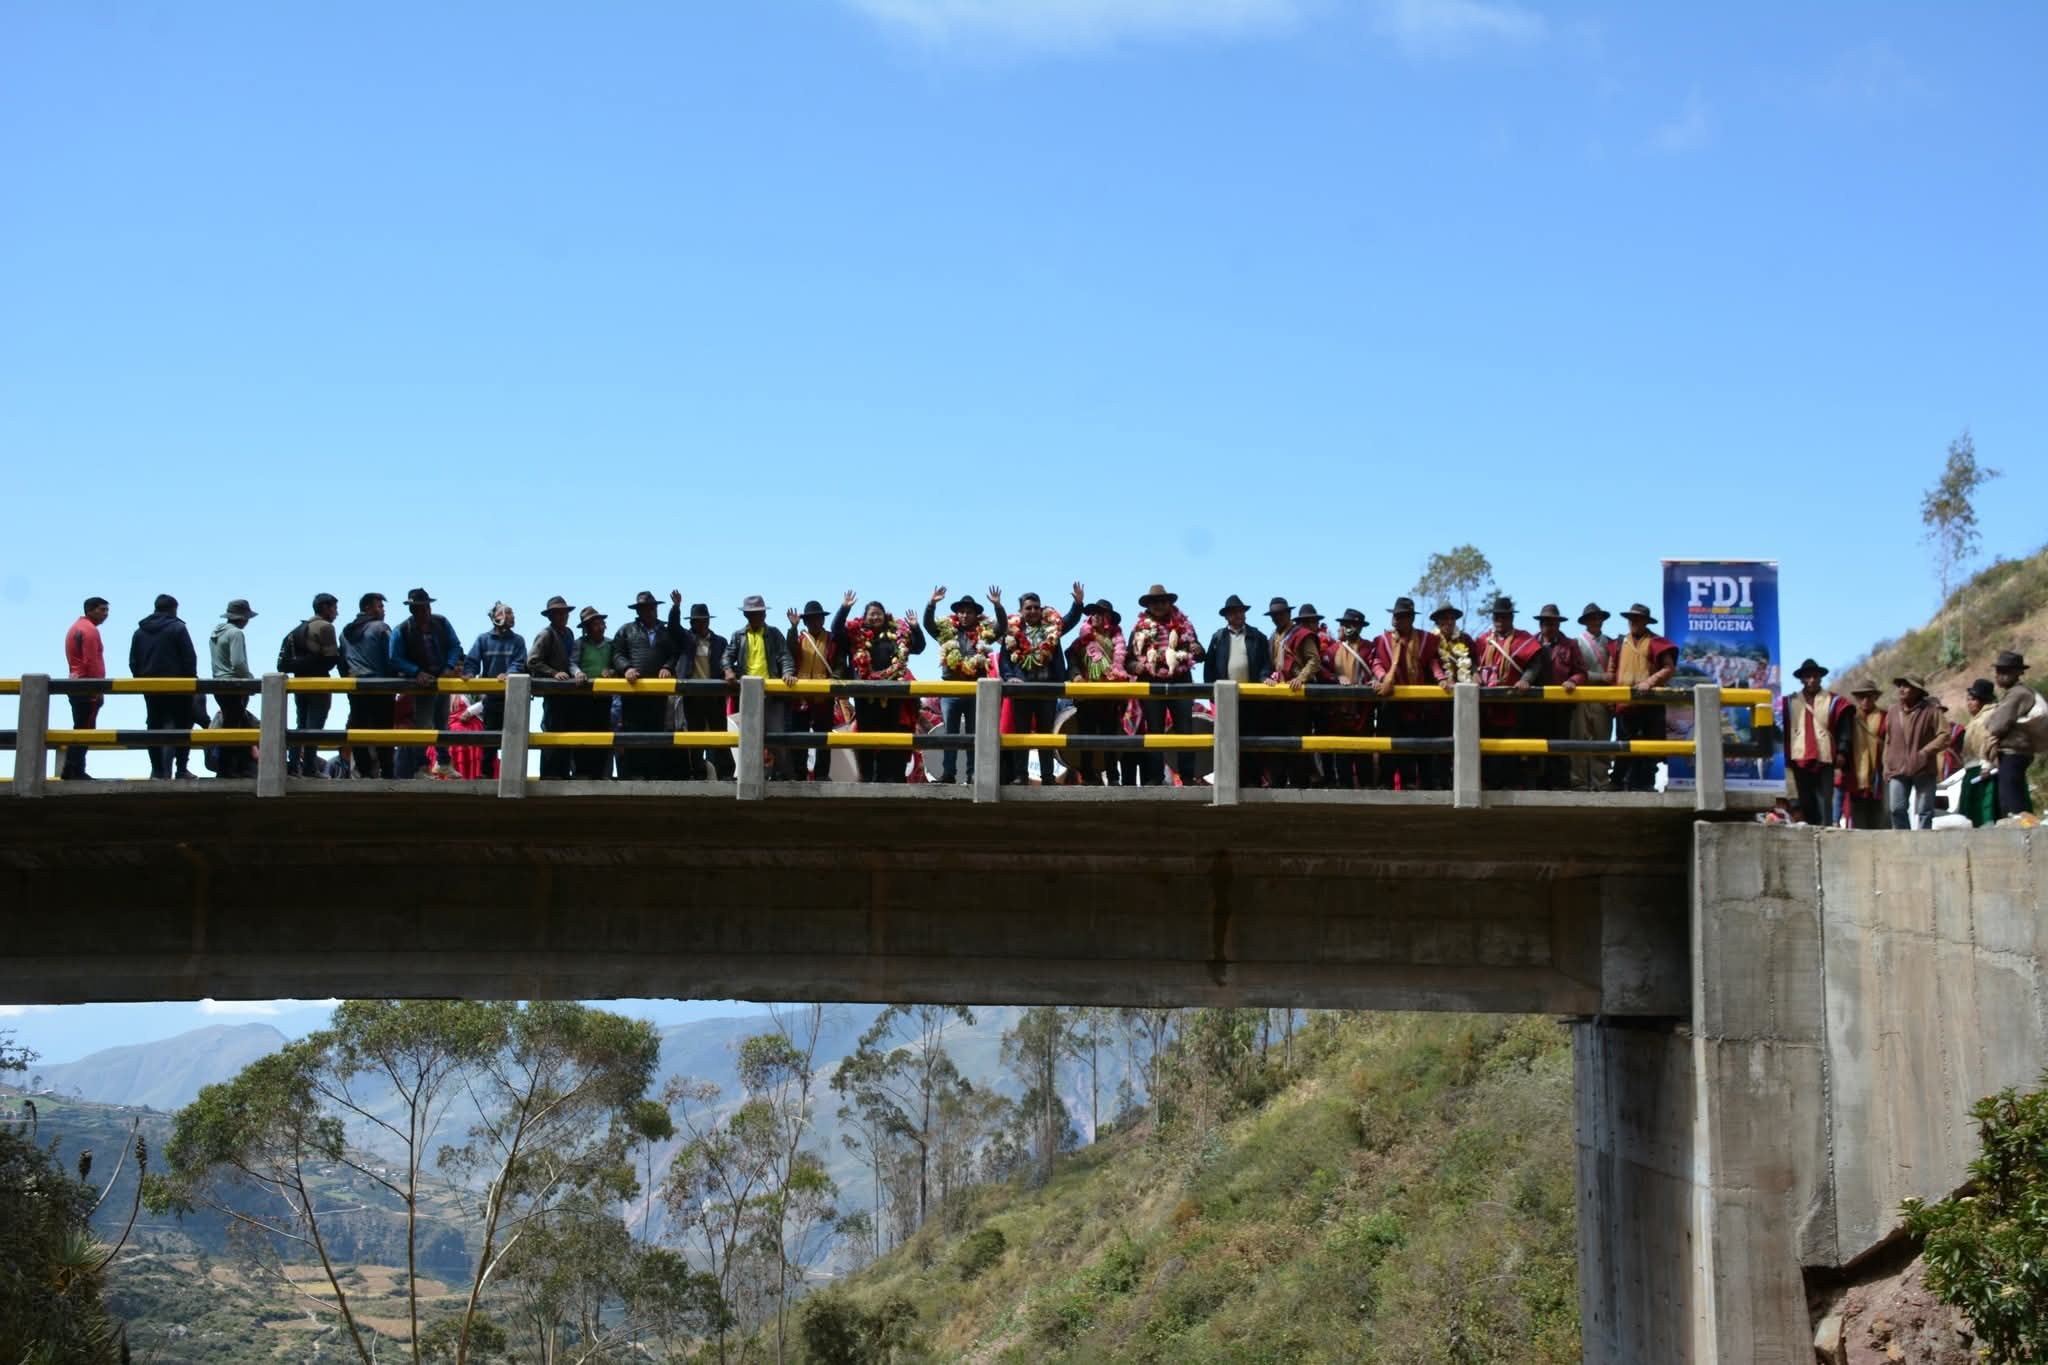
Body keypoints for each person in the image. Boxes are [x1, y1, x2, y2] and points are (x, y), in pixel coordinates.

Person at [995, 584, 1084, 786]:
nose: (1033, 611)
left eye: (1036, 607)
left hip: (1047, 689)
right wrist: (1009, 678)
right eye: (1029, 608)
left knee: (1045, 736)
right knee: (1022, 736)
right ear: (1021, 611)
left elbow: (1069, 621)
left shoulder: (1051, 627)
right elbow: (1005, 661)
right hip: (1022, 691)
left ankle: (1047, 777)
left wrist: (1078, 604)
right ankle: (1020, 775)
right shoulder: (1011, 631)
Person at [833, 592, 924, 783]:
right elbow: (836, 631)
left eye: (878, 613)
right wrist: (845, 608)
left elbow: (918, 647)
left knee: (889, 737)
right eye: (871, 614)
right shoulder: (855, 634)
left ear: (885, 615)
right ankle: (867, 777)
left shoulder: (896, 635)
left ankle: (886, 777)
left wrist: (915, 628)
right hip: (864, 695)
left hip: (892, 695)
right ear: (865, 618)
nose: (875, 617)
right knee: (866, 736)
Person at [1128, 585, 1205, 786]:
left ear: (1169, 603)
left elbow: (1199, 653)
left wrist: (1197, 650)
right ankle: (1155, 777)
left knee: (1185, 731)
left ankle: (1187, 777)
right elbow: (1128, 660)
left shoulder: (1185, 625)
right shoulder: (1139, 629)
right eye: (1155, 602)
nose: (1159, 605)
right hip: (1152, 685)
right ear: (1149, 606)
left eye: (1163, 601)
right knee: (1154, 731)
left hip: (1180, 684)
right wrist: (1136, 665)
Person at [390, 588, 467, 779]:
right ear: (412, 610)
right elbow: (394, 657)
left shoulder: (441, 622)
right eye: (420, 608)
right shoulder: (401, 630)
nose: (424, 612)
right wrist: (415, 672)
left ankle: (443, 762)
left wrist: (448, 666)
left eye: (426, 607)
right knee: (423, 725)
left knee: (443, 723)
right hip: (421, 684)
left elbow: (455, 645)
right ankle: (421, 767)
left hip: (441, 679)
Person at [923, 589, 998, 785]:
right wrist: (931, 604)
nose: (964, 615)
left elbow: (1002, 628)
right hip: (951, 689)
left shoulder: (985, 633)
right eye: (961, 612)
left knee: (974, 734)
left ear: (976, 615)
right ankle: (948, 774)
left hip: (976, 690)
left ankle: (973, 774)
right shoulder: (948, 631)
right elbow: (928, 625)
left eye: (969, 612)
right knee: (950, 735)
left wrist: (998, 606)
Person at [611, 591, 687, 780]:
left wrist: (667, 667)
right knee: (633, 732)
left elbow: (674, 652)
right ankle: (633, 774)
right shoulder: (625, 630)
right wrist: (626, 668)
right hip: (633, 692)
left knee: (657, 732)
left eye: (652, 608)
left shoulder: (665, 630)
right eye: (645, 609)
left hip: (657, 694)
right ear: (639, 611)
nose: (649, 612)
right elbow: (617, 654)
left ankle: (654, 774)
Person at [723, 595, 799, 779]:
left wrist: (787, 672)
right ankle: (752, 775)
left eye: (759, 613)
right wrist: (727, 670)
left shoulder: (774, 634)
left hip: (771, 692)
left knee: (776, 736)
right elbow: (727, 655)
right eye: (752, 614)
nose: (757, 616)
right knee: (750, 737)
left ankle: (786, 775)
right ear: (747, 616)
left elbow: (785, 656)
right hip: (748, 693)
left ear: (764, 614)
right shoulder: (738, 636)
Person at [1474, 596, 1543, 790]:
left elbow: (1535, 663)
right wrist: (1473, 674)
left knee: (1511, 746)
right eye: (1497, 617)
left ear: (1511, 618)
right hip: (1487, 705)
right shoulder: (1483, 640)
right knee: (1487, 746)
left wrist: (1526, 680)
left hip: (1512, 704)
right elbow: (1473, 661)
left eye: (1504, 617)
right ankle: (1488, 783)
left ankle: (1510, 784)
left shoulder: (1523, 639)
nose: (1500, 621)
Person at [1205, 595, 1273, 788]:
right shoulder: (1218, 638)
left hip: (1250, 697)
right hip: (1226, 698)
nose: (1239, 615)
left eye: (1241, 611)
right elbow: (1209, 668)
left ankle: (1253, 780)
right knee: (1227, 740)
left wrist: (1264, 677)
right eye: (1234, 612)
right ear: (1227, 616)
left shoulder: (1257, 636)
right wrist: (1212, 694)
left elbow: (1264, 664)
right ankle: (1230, 780)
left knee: (1251, 738)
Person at [1610, 604, 1678, 793]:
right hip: (1624, 703)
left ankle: (1644, 783)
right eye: (1631, 619)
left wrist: (1650, 682)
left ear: (1646, 622)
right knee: (1623, 743)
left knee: (1649, 744)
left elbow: (1668, 668)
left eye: (1638, 619)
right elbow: (1612, 671)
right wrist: (1611, 699)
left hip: (1650, 703)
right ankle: (1618, 781)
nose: (1633, 623)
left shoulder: (1656, 642)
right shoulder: (1619, 643)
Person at [131, 595, 199, 779]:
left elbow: (133, 661)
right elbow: (189, 657)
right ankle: (181, 769)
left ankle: (158, 770)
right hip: (178, 686)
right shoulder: (177, 628)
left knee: (154, 727)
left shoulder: (140, 632)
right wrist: (191, 681)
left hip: (151, 687)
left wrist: (140, 681)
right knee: (182, 727)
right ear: (173, 609)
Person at [1780, 659, 1852, 826]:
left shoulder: (1834, 701)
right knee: (1806, 800)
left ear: (1820, 678)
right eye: (1807, 677)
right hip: (1800, 757)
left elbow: (1844, 728)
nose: (1811, 680)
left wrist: (1842, 751)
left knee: (1825, 800)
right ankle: (1811, 832)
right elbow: (1782, 729)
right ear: (1802, 680)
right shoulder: (1790, 702)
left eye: (1815, 676)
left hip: (1824, 756)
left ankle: (1826, 831)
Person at [1068, 600, 1132, 786]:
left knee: (1110, 738)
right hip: (1087, 696)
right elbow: (1071, 660)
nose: (1094, 616)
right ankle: (1088, 776)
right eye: (1093, 613)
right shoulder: (1081, 641)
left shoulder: (1117, 642)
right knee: (1086, 737)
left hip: (1110, 697)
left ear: (1108, 618)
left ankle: (1113, 777)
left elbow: (1125, 665)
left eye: (1099, 613)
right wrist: (1077, 675)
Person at [280, 593, 342, 778]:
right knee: (315, 725)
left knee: (301, 724)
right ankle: (309, 767)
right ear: (325, 608)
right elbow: (331, 659)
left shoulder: (300, 628)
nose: (336, 613)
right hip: (318, 682)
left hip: (299, 681)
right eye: (334, 608)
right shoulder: (325, 627)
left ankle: (293, 767)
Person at [1372, 597, 1431, 791]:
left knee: (1411, 744)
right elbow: (1376, 662)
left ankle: (1409, 781)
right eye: (1395, 616)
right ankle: (1385, 782)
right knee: (1387, 743)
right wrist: (1382, 678)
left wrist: (1441, 679)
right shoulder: (1382, 641)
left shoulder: (1426, 639)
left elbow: (1433, 664)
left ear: (1411, 618)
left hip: (1415, 703)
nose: (1396, 620)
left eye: (1402, 617)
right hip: (1389, 702)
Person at [464, 602, 528, 780]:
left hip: (513, 697)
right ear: (498, 617)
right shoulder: (483, 639)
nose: (513, 616)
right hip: (491, 697)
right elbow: (472, 660)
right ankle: (486, 772)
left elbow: (519, 662)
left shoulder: (518, 640)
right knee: (490, 736)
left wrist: (509, 674)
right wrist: (469, 672)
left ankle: (511, 775)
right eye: (509, 613)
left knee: (513, 736)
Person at [1267, 604, 1330, 787]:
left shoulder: (1301, 634)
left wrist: (1301, 678)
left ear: (1288, 614)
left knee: (1298, 740)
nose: (1276, 617)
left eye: (1280, 614)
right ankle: (1278, 782)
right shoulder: (1273, 637)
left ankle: (1300, 782)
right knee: (1277, 741)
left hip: (1297, 695)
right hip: (1278, 696)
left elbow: (1314, 660)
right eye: (1273, 615)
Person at [670, 597, 731, 781]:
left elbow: (725, 663)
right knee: (695, 737)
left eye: (704, 620)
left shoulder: (720, 641)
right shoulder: (687, 639)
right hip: (693, 695)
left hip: (714, 695)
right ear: (693, 623)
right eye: (698, 621)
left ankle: (725, 772)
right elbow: (673, 627)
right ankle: (697, 773)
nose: (702, 624)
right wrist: (676, 607)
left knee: (719, 735)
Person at [1528, 605, 1586, 790]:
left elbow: (1581, 672)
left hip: (1561, 705)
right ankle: (1536, 783)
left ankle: (1560, 783)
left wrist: (1572, 681)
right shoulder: (1530, 644)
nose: (1549, 627)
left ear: (1559, 625)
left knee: (1560, 744)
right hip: (1535, 705)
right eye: (1545, 623)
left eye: (1553, 623)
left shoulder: (1570, 645)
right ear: (1540, 625)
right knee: (1535, 744)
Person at [1882, 673, 1949, 829]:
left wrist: (1925, 752)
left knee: (1925, 811)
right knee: (1896, 809)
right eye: (1900, 686)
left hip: (1924, 768)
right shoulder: (1892, 712)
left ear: (1918, 690)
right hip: (1897, 768)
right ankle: (1902, 844)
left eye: (1907, 686)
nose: (1902, 689)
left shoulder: (1932, 711)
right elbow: (1888, 740)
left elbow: (1945, 735)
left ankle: (1924, 846)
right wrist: (1886, 764)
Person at [340, 592, 396, 779]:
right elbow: (391, 657)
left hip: (356, 687)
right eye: (379, 606)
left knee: (359, 730)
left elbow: (342, 661)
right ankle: (387, 771)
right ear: (367, 608)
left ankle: (364, 771)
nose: (383, 610)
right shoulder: (380, 628)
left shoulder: (345, 632)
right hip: (380, 685)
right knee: (384, 731)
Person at [526, 596, 581, 781]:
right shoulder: (546, 634)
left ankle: (563, 773)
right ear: (551, 616)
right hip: (552, 692)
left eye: (565, 612)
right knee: (551, 731)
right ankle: (549, 775)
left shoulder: (569, 634)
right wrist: (553, 673)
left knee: (567, 731)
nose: (563, 616)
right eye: (558, 613)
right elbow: (532, 660)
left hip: (568, 693)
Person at [788, 600, 843, 781]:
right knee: (799, 738)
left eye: (818, 618)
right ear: (805, 622)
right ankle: (799, 773)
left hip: (823, 696)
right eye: (810, 619)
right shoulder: (798, 638)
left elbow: (840, 663)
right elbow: (789, 651)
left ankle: (821, 774)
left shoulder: (832, 639)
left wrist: (835, 678)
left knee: (823, 739)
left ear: (823, 620)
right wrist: (793, 628)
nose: (814, 622)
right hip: (800, 696)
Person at [1568, 604, 1620, 791]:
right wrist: (1600, 677)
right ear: (1586, 622)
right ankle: (1579, 780)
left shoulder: (1611, 643)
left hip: (1604, 696)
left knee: (1602, 738)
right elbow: (1575, 671)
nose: (1595, 621)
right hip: (1582, 695)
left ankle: (1601, 780)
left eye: (1598, 618)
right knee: (1579, 738)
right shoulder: (1576, 642)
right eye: (1591, 618)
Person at [1425, 604, 1476, 790]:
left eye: (1452, 619)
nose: (1449, 622)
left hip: (1462, 702)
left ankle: (1459, 782)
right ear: (1437, 622)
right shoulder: (1430, 640)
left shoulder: (1466, 640)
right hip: (1437, 702)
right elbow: (1430, 662)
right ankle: (1437, 782)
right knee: (1437, 743)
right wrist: (1441, 677)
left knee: (1462, 743)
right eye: (1445, 619)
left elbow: (1475, 663)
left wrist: (1476, 674)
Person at [1985, 651, 2041, 816]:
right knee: (2011, 797)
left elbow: (1997, 725)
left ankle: (2021, 835)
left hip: (2014, 752)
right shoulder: (2014, 693)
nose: (1999, 676)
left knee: (2012, 802)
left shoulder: (2018, 694)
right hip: (2014, 752)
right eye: (1998, 671)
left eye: (2005, 671)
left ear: (2018, 672)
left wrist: (1990, 722)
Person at [60, 596, 109, 781]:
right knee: (85, 729)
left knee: (80, 727)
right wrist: (98, 689)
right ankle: (75, 770)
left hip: (75, 683)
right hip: (86, 687)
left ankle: (72, 769)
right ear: (90, 610)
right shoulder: (90, 631)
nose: (106, 614)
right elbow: (91, 662)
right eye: (102, 610)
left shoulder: (76, 627)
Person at [209, 599, 259, 778]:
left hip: (218, 684)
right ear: (243, 617)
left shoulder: (216, 633)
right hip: (234, 684)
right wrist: (250, 680)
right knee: (236, 728)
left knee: (228, 726)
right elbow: (238, 662)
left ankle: (225, 768)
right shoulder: (236, 633)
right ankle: (229, 769)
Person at [1952, 679, 2002, 826]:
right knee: (1970, 812)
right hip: (1972, 770)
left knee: (1984, 809)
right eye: (1968, 699)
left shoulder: (1990, 715)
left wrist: (1987, 765)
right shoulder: (1975, 719)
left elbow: (1991, 740)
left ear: (1983, 700)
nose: (1969, 703)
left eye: (1973, 699)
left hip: (1984, 771)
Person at [1839, 680, 1887, 829]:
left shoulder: (1885, 717)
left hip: (1879, 775)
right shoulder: (1850, 717)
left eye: (1869, 696)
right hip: (1856, 775)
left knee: (1879, 819)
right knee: (1858, 821)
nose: (1865, 700)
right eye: (1861, 697)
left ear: (1875, 698)